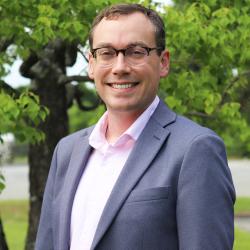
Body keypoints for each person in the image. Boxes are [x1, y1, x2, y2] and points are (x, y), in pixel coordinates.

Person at [35, 3, 235, 250]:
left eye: (136, 52)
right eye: (107, 53)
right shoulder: (66, 152)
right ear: (91, 64)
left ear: (163, 62)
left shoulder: (196, 150)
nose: (120, 67)